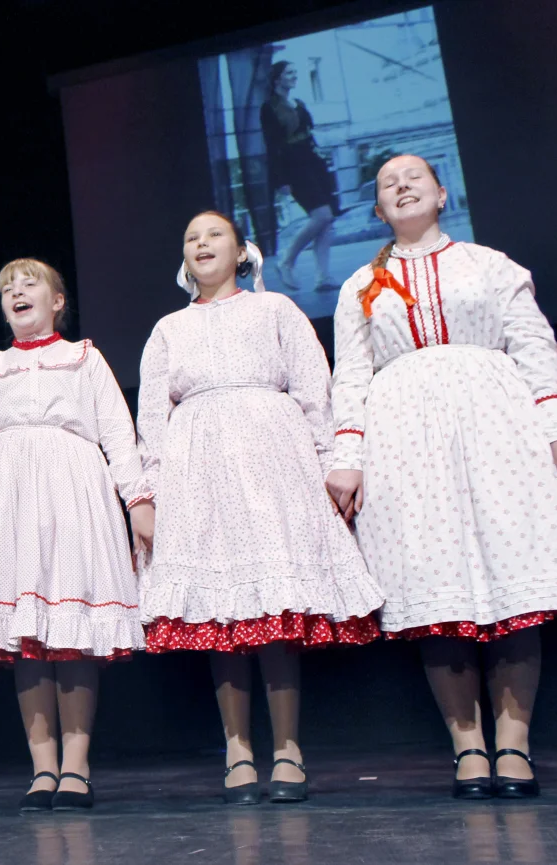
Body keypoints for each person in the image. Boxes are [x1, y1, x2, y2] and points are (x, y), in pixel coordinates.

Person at [327, 154, 557, 799]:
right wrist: (347, 454)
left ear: (441, 194)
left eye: (414, 178)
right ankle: (467, 748)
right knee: (437, 590)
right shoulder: (359, 285)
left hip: (497, 427)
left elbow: (535, 347)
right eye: (388, 183)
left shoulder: (490, 265)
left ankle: (513, 744)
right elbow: (350, 376)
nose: (401, 186)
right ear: (378, 210)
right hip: (405, 437)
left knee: (512, 581)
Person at [136, 211, 383, 804]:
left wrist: (328, 464)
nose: (201, 243)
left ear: (241, 251)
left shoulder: (276, 310)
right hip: (198, 469)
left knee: (275, 606)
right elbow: (151, 418)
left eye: (214, 235)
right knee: (221, 615)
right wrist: (151, 491)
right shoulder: (169, 328)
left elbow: (314, 391)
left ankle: (289, 748)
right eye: (191, 237)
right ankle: (237, 748)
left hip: (274, 462)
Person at [0, 258, 154, 812]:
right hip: (8, 502)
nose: (17, 293)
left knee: (72, 630)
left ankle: (77, 765)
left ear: (57, 301)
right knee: (29, 637)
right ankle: (43, 767)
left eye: (30, 284)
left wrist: (137, 500)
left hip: (72, 491)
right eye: (8, 288)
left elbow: (118, 433)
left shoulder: (84, 358)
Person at [261, 60, 339, 292]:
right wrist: (279, 180)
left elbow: (309, 133)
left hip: (314, 163)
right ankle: (286, 260)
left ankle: (323, 277)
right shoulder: (269, 108)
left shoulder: (299, 103)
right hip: (294, 166)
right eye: (289, 73)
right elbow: (272, 146)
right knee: (321, 215)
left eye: (295, 72)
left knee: (327, 220)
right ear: (277, 79)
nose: (295, 76)